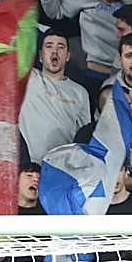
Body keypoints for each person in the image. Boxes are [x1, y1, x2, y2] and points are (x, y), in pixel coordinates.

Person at [18, 31, 91, 164]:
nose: (55, 51)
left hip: (62, 166)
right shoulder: (28, 78)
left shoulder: (80, 92)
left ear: (68, 56)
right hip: (30, 166)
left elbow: (83, 136)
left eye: (61, 47)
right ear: (41, 55)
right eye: (49, 46)